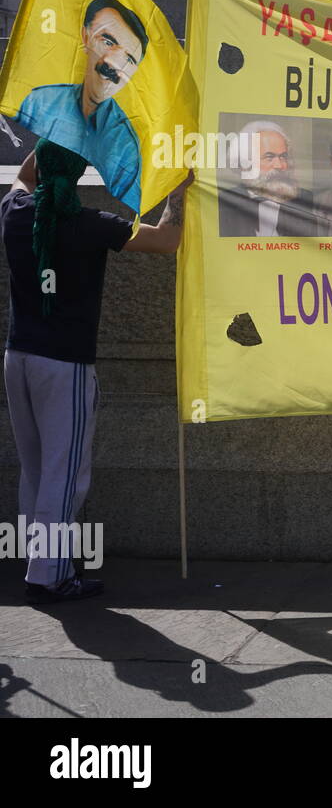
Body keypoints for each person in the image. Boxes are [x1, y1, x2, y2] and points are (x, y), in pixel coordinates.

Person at [2, 138, 190, 604]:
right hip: (64, 363)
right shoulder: (89, 223)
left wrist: (59, 131)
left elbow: (24, 177)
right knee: (65, 475)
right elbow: (167, 240)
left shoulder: (15, 211)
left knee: (36, 468)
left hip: (18, 357)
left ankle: (41, 560)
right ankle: (49, 576)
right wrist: (182, 187)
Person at [15, 0, 147, 211]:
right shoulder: (38, 101)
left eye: (129, 59)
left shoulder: (127, 145)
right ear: (85, 37)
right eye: (107, 41)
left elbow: (24, 180)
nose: (113, 63)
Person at [217, 120, 317, 238]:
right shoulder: (224, 203)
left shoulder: (306, 200)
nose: (280, 166)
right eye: (269, 157)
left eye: (283, 157)